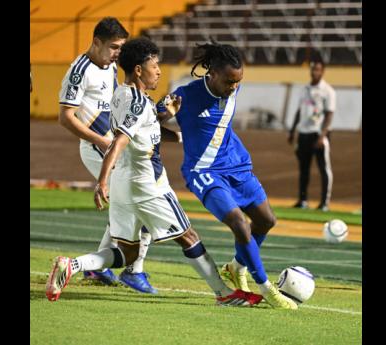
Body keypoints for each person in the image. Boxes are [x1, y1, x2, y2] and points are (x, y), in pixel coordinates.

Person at [46, 37, 263, 307]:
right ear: (139, 69)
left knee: (126, 252)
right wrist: (101, 182)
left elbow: (145, 131)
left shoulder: (122, 95)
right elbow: (120, 141)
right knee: (189, 237)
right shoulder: (139, 103)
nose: (159, 70)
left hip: (124, 182)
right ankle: (224, 294)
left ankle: (72, 264)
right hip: (148, 183)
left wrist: (167, 120)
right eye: (155, 65)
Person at [157, 40, 297, 309]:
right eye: (229, 82)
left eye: (238, 82)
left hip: (237, 165)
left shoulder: (231, 86)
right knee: (239, 223)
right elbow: (146, 123)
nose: (234, 87)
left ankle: (235, 267)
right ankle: (266, 287)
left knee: (266, 220)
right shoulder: (183, 96)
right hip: (204, 171)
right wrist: (173, 129)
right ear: (213, 74)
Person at [58, 17, 156, 292]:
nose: (118, 53)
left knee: (132, 203)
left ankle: (99, 268)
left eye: (121, 48)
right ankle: (133, 270)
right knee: (139, 201)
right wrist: (101, 140)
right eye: (114, 47)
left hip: (115, 147)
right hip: (96, 149)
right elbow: (65, 118)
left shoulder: (112, 65)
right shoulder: (79, 71)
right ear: (96, 42)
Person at [287, 59, 336, 212]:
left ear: (322, 71)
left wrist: (323, 136)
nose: (314, 72)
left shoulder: (328, 91)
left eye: (317, 69)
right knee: (304, 168)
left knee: (324, 168)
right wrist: (292, 131)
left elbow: (329, 114)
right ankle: (302, 200)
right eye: (312, 69)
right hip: (303, 133)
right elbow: (299, 111)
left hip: (318, 134)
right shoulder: (305, 89)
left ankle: (324, 203)